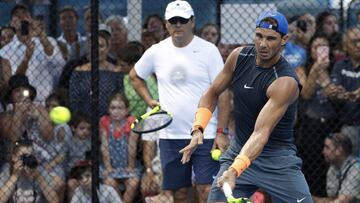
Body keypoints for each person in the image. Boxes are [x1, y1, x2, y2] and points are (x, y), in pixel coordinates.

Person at [180, 11, 313, 203]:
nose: (263, 44)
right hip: (239, 150)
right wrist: (198, 128)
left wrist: (235, 170)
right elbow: (212, 92)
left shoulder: (285, 82)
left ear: (284, 39)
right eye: (259, 36)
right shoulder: (238, 56)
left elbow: (261, 133)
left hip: (277, 160)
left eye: (270, 38)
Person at [130, 1, 230, 202]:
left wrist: (221, 132)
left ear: (192, 22)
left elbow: (224, 95)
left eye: (182, 20)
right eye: (173, 21)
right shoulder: (156, 51)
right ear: (166, 24)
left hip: (206, 134)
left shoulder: (209, 51)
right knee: (179, 195)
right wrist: (149, 100)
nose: (178, 25)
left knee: (206, 192)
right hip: (170, 135)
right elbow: (134, 76)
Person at [325, 26, 360, 157]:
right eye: (354, 42)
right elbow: (335, 90)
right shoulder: (340, 65)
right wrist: (336, 92)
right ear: (345, 46)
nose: (358, 45)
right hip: (349, 125)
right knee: (349, 163)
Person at [100, 92, 141, 202]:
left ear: (127, 110)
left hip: (128, 164)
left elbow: (132, 145)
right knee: (109, 183)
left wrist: (131, 166)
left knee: (133, 183)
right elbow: (104, 146)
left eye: (120, 108)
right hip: (111, 165)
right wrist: (108, 166)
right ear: (108, 109)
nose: (116, 111)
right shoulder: (104, 121)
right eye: (113, 108)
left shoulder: (132, 122)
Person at [0, 138, 59, 203]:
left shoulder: (39, 171)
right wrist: (14, 176)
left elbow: (55, 201)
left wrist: (39, 177)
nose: (26, 160)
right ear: (14, 157)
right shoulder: (8, 170)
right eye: (23, 157)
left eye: (30, 156)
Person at [312, 132, 360, 203]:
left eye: (327, 147)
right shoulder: (333, 168)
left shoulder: (356, 169)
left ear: (339, 150)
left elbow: (342, 201)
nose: (323, 151)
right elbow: (332, 199)